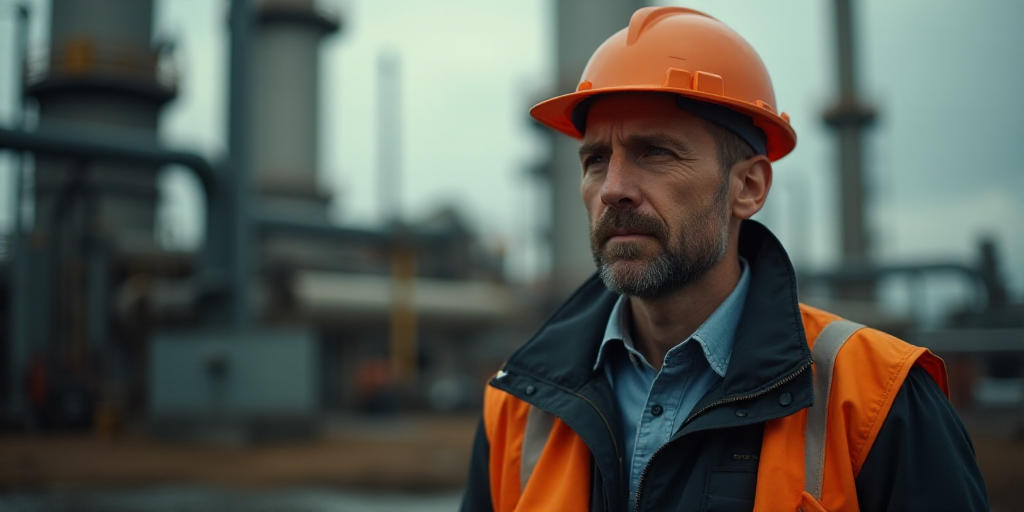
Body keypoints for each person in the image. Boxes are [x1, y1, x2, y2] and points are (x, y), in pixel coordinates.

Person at [460, 6, 988, 512]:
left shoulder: (876, 401)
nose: (613, 189)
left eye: (655, 153)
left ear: (748, 186)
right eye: (596, 159)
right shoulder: (518, 409)